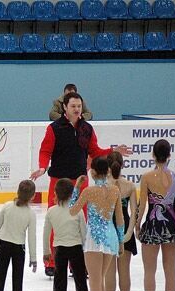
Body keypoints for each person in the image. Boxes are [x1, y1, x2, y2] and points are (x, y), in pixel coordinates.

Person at [30, 92, 131, 276]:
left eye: (79, 106)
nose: (77, 109)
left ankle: (77, 263)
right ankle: (52, 261)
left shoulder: (87, 129)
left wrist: (113, 150)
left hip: (80, 181)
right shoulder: (54, 128)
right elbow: (45, 151)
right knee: (57, 220)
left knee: (80, 222)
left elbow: (95, 151)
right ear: (65, 108)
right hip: (59, 182)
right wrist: (42, 168)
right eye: (73, 106)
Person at [69, 157, 125, 291]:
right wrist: (121, 241)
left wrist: (77, 188)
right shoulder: (115, 190)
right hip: (111, 238)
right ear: (107, 171)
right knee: (99, 279)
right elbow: (120, 218)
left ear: (93, 172)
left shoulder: (89, 191)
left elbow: (72, 210)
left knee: (94, 281)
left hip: (94, 238)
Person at [134, 139, 175, 291]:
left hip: (153, 226)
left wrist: (138, 225)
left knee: (149, 270)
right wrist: (173, 226)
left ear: (153, 155)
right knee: (170, 269)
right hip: (171, 226)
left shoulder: (147, 176)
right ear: (169, 155)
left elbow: (143, 205)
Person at [43, 178, 90, 291]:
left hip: (60, 250)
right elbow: (84, 233)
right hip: (76, 249)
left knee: (59, 282)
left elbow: (46, 234)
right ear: (71, 194)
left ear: (56, 193)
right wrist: (86, 252)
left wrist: (46, 251)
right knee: (80, 281)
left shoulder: (51, 211)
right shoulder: (78, 211)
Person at [104, 151, 137, 291]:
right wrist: (128, 233)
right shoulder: (130, 186)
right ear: (122, 165)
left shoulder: (103, 186)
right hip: (124, 232)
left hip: (108, 232)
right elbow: (133, 213)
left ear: (108, 167)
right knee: (125, 271)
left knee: (109, 273)